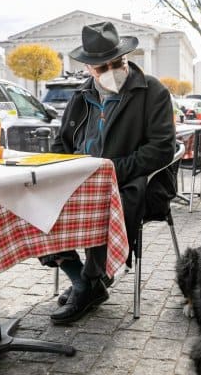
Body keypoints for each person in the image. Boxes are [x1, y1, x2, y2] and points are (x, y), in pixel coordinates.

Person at [39, 21, 176, 324]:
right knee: (38, 203)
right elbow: (61, 142)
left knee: (103, 203)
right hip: (80, 178)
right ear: (89, 68)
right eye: (103, 67)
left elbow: (162, 149)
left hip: (131, 182)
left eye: (119, 62)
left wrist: (108, 171)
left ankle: (91, 278)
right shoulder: (80, 96)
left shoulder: (152, 91)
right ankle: (83, 281)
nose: (112, 70)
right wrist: (59, 170)